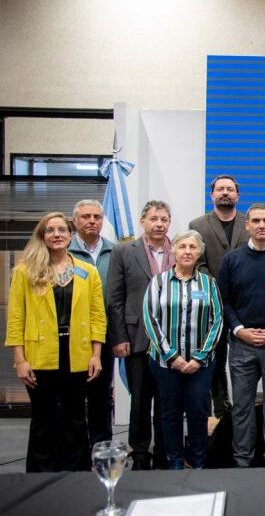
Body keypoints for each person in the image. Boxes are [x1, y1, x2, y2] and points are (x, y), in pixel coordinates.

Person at [6, 212, 104, 472]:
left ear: (71, 236)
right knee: (43, 419)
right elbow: (16, 318)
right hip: (40, 355)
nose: (57, 234)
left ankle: (76, 475)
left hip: (77, 353)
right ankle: (39, 477)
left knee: (75, 418)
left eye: (62, 230)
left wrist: (96, 355)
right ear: (42, 236)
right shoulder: (25, 271)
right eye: (50, 230)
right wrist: (20, 360)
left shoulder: (88, 271)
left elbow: (97, 316)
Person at [217, 204, 265, 468]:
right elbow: (224, 301)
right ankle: (242, 461)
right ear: (247, 224)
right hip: (241, 344)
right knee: (242, 408)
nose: (261, 225)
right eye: (256, 220)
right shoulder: (232, 259)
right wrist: (239, 330)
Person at [143, 230, 223, 469]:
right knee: (170, 413)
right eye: (182, 246)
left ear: (199, 252)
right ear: (173, 251)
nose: (187, 251)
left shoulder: (209, 283)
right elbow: (150, 319)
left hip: (201, 365)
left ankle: (198, 461)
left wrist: (199, 357)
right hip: (166, 364)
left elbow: (217, 320)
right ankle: (175, 461)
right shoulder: (158, 282)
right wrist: (172, 357)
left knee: (198, 413)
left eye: (192, 247)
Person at [106, 200, 174, 469]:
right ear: (142, 221)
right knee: (140, 401)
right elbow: (114, 298)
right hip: (137, 340)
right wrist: (119, 337)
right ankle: (140, 452)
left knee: (167, 400)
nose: (159, 224)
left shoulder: (178, 249)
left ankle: (165, 450)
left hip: (170, 342)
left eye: (164, 219)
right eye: (154, 219)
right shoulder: (124, 251)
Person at [190, 175, 247, 421]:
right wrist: (216, 288)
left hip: (244, 306)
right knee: (215, 360)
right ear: (212, 194)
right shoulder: (198, 225)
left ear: (238, 195)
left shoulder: (249, 222)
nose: (225, 193)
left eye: (230, 189)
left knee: (242, 360)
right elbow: (197, 263)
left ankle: (242, 409)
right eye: (220, 189)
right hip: (211, 305)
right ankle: (220, 408)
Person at [67, 199, 115, 446]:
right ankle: (75, 451)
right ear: (75, 221)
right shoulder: (64, 252)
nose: (92, 221)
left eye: (97, 216)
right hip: (72, 336)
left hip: (104, 335)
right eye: (86, 216)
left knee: (101, 396)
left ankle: (101, 448)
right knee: (72, 397)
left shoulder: (114, 250)